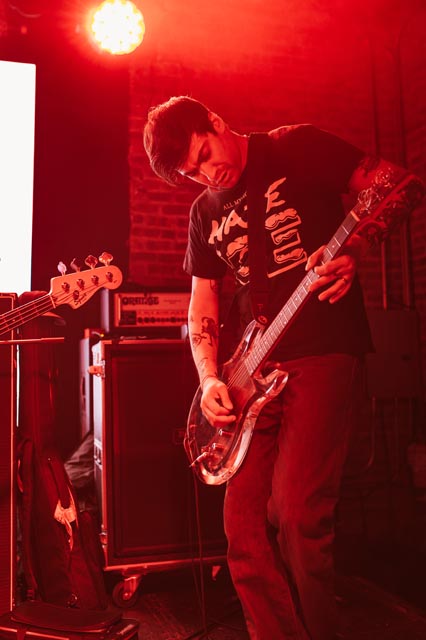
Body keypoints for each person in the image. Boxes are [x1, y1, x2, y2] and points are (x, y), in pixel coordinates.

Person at [143, 96, 424, 640]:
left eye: (205, 154)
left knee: (297, 515)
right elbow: (204, 301)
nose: (208, 174)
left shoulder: (295, 146)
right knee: (241, 526)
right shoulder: (203, 213)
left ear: (216, 122)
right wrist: (209, 376)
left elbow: (400, 184)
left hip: (323, 348)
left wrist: (356, 247)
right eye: (193, 173)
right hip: (253, 371)